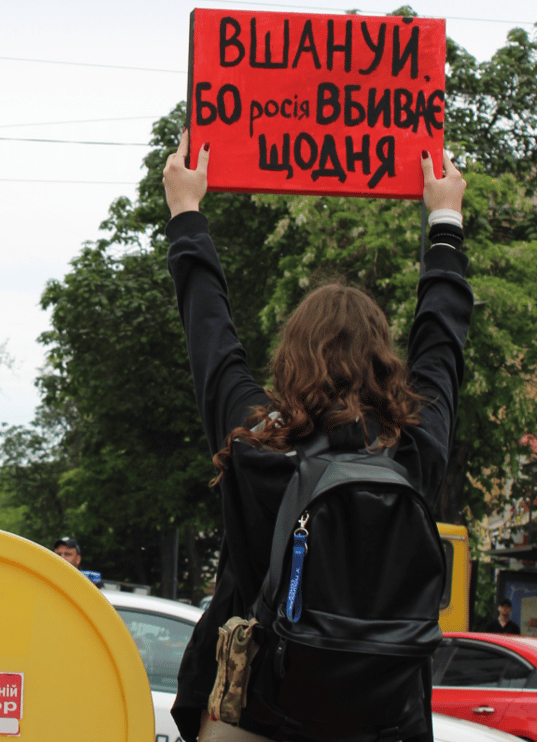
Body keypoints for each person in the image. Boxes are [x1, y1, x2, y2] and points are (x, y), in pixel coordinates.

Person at [162, 133, 473, 742]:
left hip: (258, 713)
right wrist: (445, 218)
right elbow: (443, 339)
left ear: (290, 357)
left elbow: (210, 335)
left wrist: (187, 212)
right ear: (384, 358)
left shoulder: (256, 444)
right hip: (385, 722)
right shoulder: (412, 451)